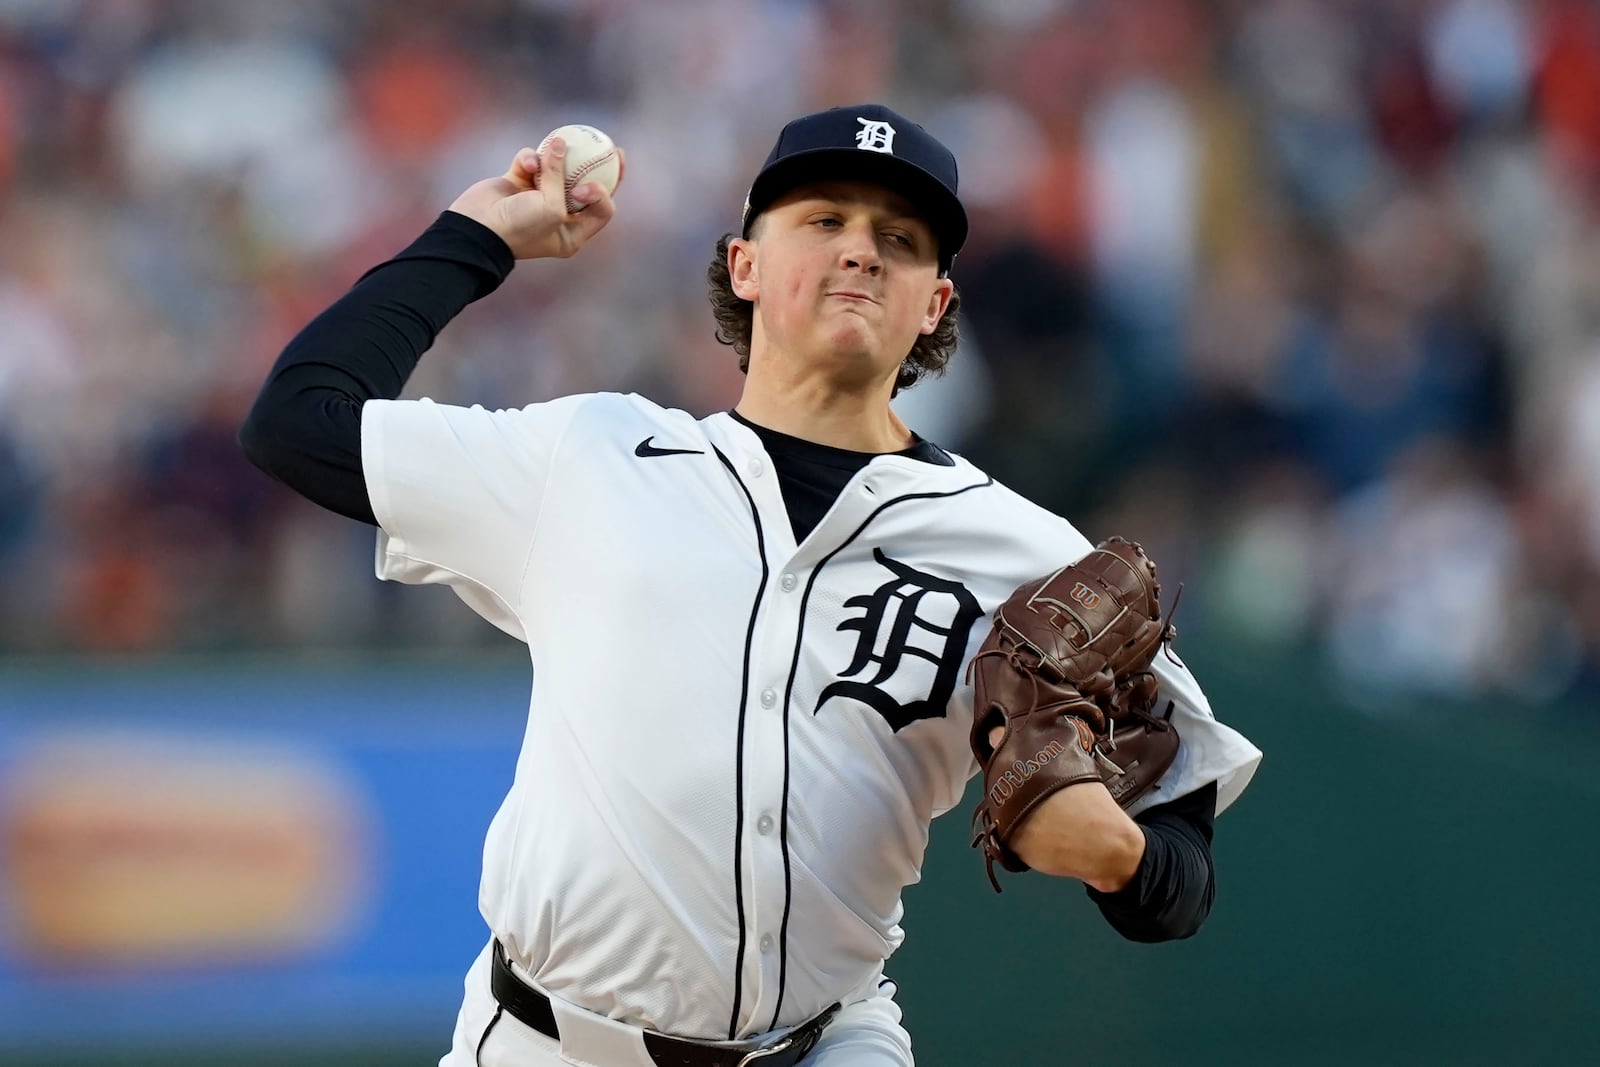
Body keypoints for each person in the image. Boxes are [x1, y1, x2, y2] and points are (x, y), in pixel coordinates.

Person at [240, 103, 1261, 1067]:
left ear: (935, 303)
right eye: (823, 220)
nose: (862, 247)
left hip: (825, 1040)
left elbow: (1183, 873)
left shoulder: (1023, 551)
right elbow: (297, 420)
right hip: (541, 1039)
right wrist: (477, 237)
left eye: (902, 239)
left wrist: (1123, 856)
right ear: (746, 265)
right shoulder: (585, 456)